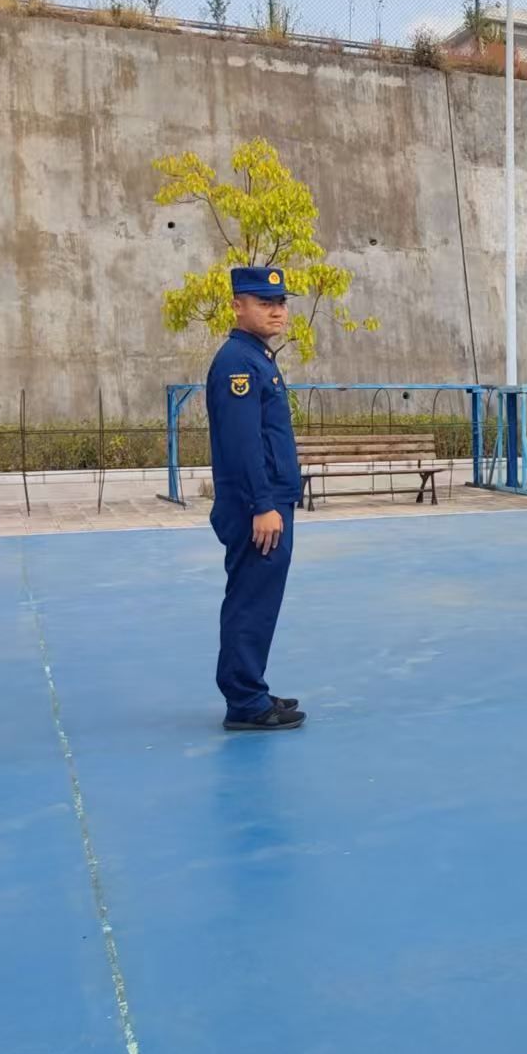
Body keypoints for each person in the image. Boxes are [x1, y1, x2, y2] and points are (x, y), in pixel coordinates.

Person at [206, 267, 305, 732]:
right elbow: (243, 443)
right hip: (256, 507)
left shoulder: (256, 357)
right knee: (251, 600)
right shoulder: (238, 364)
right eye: (264, 302)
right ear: (237, 306)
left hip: (269, 500)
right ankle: (245, 701)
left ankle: (251, 688)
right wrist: (262, 505)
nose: (277, 310)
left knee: (259, 599)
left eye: (281, 302)